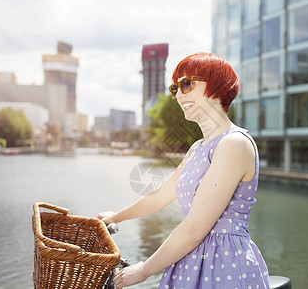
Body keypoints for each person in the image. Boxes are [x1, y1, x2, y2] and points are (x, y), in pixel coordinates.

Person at [98, 52, 270, 289]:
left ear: (216, 86)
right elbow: (160, 195)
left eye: (187, 84)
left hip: (223, 264)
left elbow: (195, 228)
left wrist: (144, 270)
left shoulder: (234, 144)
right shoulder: (198, 148)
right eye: (174, 88)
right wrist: (116, 217)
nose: (178, 94)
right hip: (190, 261)